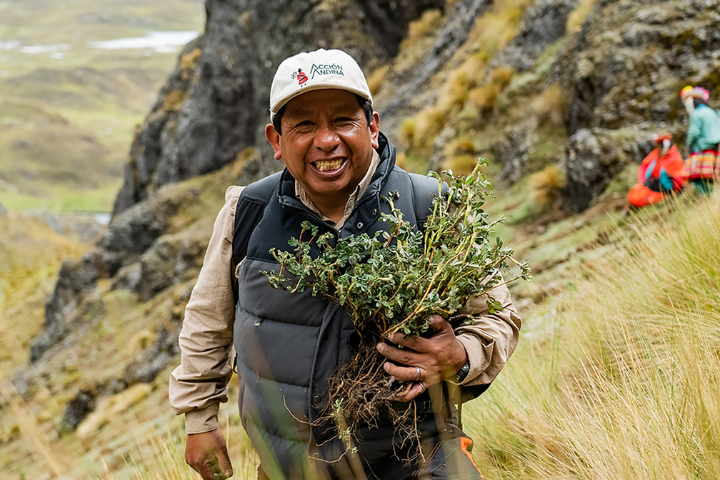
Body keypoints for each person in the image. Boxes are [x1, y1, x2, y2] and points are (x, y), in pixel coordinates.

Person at [169, 48, 521, 480]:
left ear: (372, 128)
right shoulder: (246, 213)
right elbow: (208, 322)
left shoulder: (432, 210)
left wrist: (459, 355)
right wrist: (199, 420)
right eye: (304, 125)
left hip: (419, 461)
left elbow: (500, 318)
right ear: (276, 141)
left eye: (342, 120)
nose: (326, 140)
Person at [623, 132, 684, 215]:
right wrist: (642, 180)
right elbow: (644, 166)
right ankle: (628, 214)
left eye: (658, 146)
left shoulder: (674, 158)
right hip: (649, 185)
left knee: (637, 198)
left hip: (661, 190)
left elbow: (678, 179)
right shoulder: (655, 154)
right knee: (633, 192)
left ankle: (632, 214)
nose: (656, 147)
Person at [680, 86, 720, 195]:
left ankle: (705, 196)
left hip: (702, 150)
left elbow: (693, 133)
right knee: (713, 176)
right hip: (716, 148)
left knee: (696, 176)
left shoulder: (696, 113)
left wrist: (688, 145)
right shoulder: (713, 111)